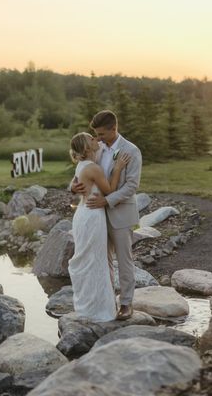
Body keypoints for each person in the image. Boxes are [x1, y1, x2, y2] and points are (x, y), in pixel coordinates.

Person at [71, 110, 142, 320]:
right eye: (96, 135)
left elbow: (131, 186)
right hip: (98, 217)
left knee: (124, 260)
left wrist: (107, 200)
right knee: (103, 261)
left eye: (102, 134)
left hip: (120, 213)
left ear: (114, 129)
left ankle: (127, 304)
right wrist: (73, 188)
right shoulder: (96, 148)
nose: (98, 139)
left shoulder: (131, 151)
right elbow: (82, 171)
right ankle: (107, 302)